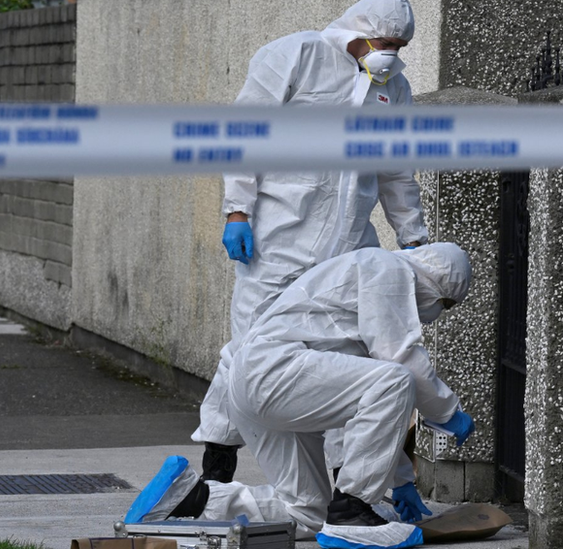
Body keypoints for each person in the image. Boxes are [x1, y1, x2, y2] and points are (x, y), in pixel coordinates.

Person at [192, 0, 428, 489]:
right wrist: (237, 210)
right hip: (278, 238)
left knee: (353, 353)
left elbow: (395, 169)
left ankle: (357, 484)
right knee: (250, 348)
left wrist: (413, 240)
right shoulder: (295, 55)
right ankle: (217, 461)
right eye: (385, 45)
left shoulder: (393, 88)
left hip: (347, 244)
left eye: (400, 48)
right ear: (359, 30)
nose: (391, 55)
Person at [126, 243, 477, 549]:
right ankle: (351, 513)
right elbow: (400, 363)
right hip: (276, 372)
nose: (436, 313)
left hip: (257, 383)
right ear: (438, 281)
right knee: (398, 380)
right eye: (445, 303)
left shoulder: (370, 298)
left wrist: (401, 480)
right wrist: (447, 411)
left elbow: (370, 417)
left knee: (308, 513)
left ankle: (190, 499)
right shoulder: (386, 268)